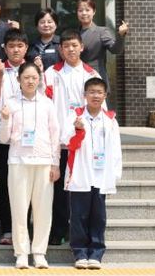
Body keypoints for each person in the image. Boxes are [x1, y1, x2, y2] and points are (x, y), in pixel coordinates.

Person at [0, 62, 61, 269]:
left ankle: (40, 252)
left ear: (39, 79)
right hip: (18, 162)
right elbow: (4, 137)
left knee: (43, 210)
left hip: (43, 162)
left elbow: (55, 135)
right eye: (26, 77)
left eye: (34, 77)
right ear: (19, 80)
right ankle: (22, 253)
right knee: (19, 209)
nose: (30, 81)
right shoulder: (11, 103)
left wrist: (55, 163)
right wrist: (5, 119)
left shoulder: (47, 104)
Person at [43, 29, 102, 246]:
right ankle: (58, 230)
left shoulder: (91, 75)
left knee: (80, 188)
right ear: (60, 49)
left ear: (81, 47)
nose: (70, 49)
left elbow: (100, 109)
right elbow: (44, 104)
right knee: (58, 189)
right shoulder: (51, 73)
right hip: (58, 141)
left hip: (82, 142)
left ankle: (80, 232)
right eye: (66, 46)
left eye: (74, 45)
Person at [62, 78, 122, 270]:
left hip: (101, 175)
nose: (95, 96)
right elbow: (65, 141)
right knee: (78, 216)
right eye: (92, 92)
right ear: (85, 95)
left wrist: (115, 174)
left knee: (99, 216)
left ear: (105, 96)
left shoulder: (110, 120)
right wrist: (77, 129)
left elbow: (116, 149)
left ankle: (96, 253)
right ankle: (80, 252)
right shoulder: (75, 115)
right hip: (80, 174)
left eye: (99, 92)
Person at [0, 28, 39, 246]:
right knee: (7, 185)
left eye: (20, 46)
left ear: (26, 48)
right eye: (11, 46)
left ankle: (25, 229)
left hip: (29, 138)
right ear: (5, 48)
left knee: (28, 185)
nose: (15, 50)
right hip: (3, 138)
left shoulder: (34, 69)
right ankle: (8, 230)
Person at [77, 0, 129, 90]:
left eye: (87, 10)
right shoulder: (74, 34)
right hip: (77, 81)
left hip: (96, 80)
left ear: (94, 12)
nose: (84, 13)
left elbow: (115, 50)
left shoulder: (101, 32)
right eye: (80, 10)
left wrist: (121, 35)